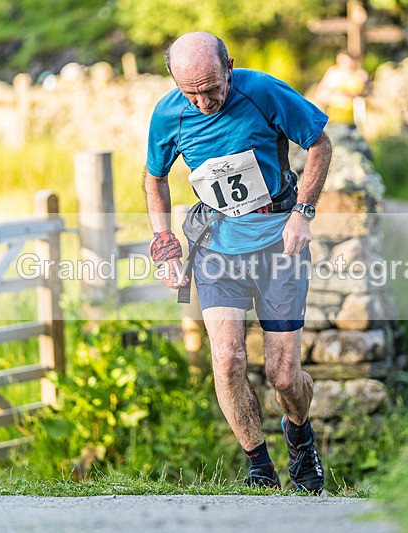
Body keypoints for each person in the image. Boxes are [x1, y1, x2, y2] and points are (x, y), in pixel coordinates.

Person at [143, 32, 332, 492]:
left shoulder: (262, 91)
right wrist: (164, 240)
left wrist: (303, 213)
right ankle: (259, 468)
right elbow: (155, 178)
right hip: (216, 248)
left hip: (278, 245)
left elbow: (320, 144)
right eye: (191, 93)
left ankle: (299, 435)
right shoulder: (168, 114)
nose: (203, 102)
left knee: (284, 377)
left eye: (211, 89)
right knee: (227, 360)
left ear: (229, 67)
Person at [312, 50, 369, 126]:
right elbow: (319, 96)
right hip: (334, 122)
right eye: (342, 62)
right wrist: (337, 96)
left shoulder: (360, 75)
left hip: (355, 122)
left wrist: (355, 96)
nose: (345, 65)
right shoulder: (332, 74)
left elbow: (367, 96)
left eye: (347, 62)